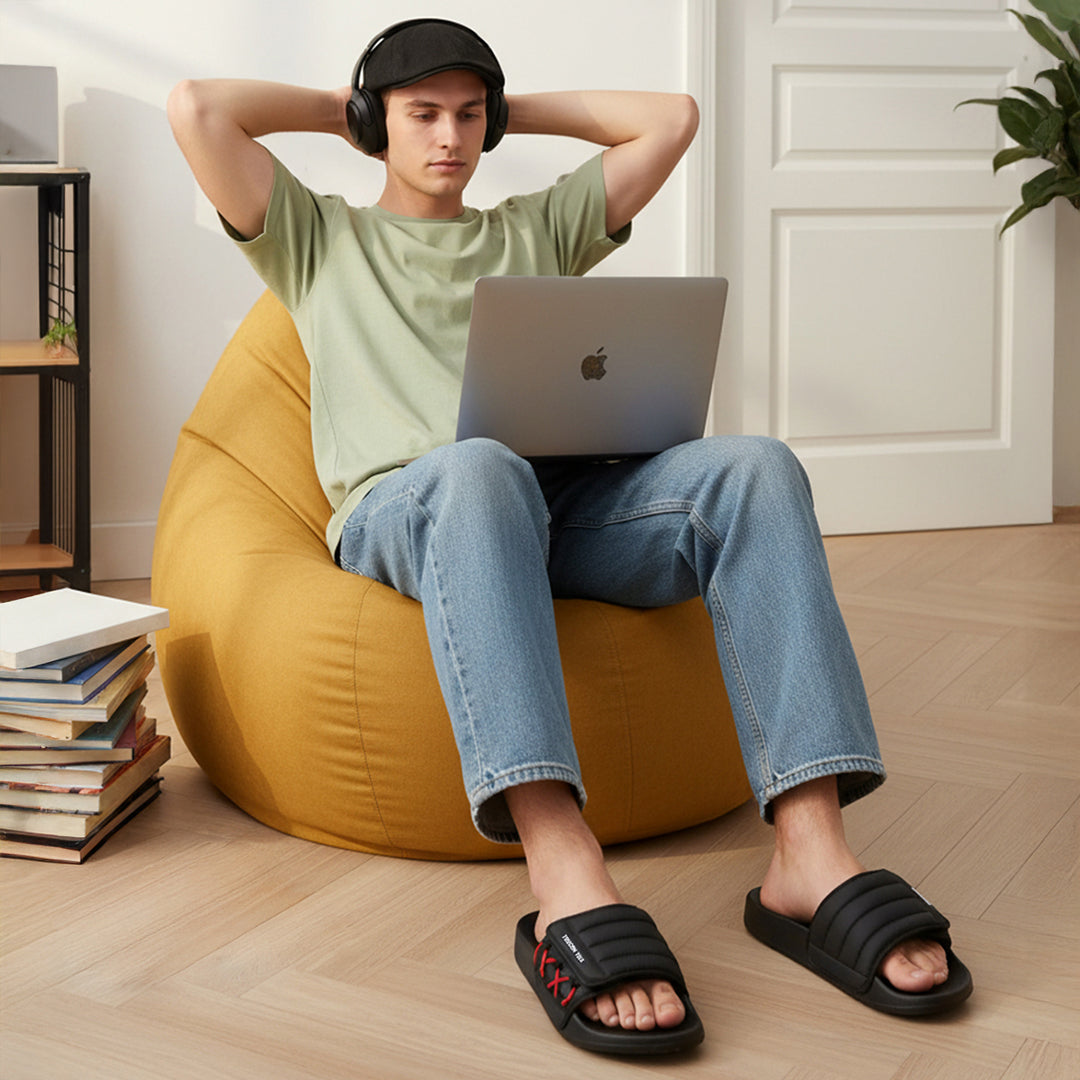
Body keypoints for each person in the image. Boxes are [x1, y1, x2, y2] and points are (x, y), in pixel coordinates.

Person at [168, 17, 972, 1055]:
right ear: (376, 122)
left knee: (755, 467)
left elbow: (670, 120)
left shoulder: (535, 231)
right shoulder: (317, 238)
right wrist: (353, 109)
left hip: (557, 507)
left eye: (470, 116)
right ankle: (560, 859)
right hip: (410, 512)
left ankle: (810, 853)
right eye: (424, 114)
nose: (450, 137)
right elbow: (199, 109)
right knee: (479, 465)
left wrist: (507, 108)